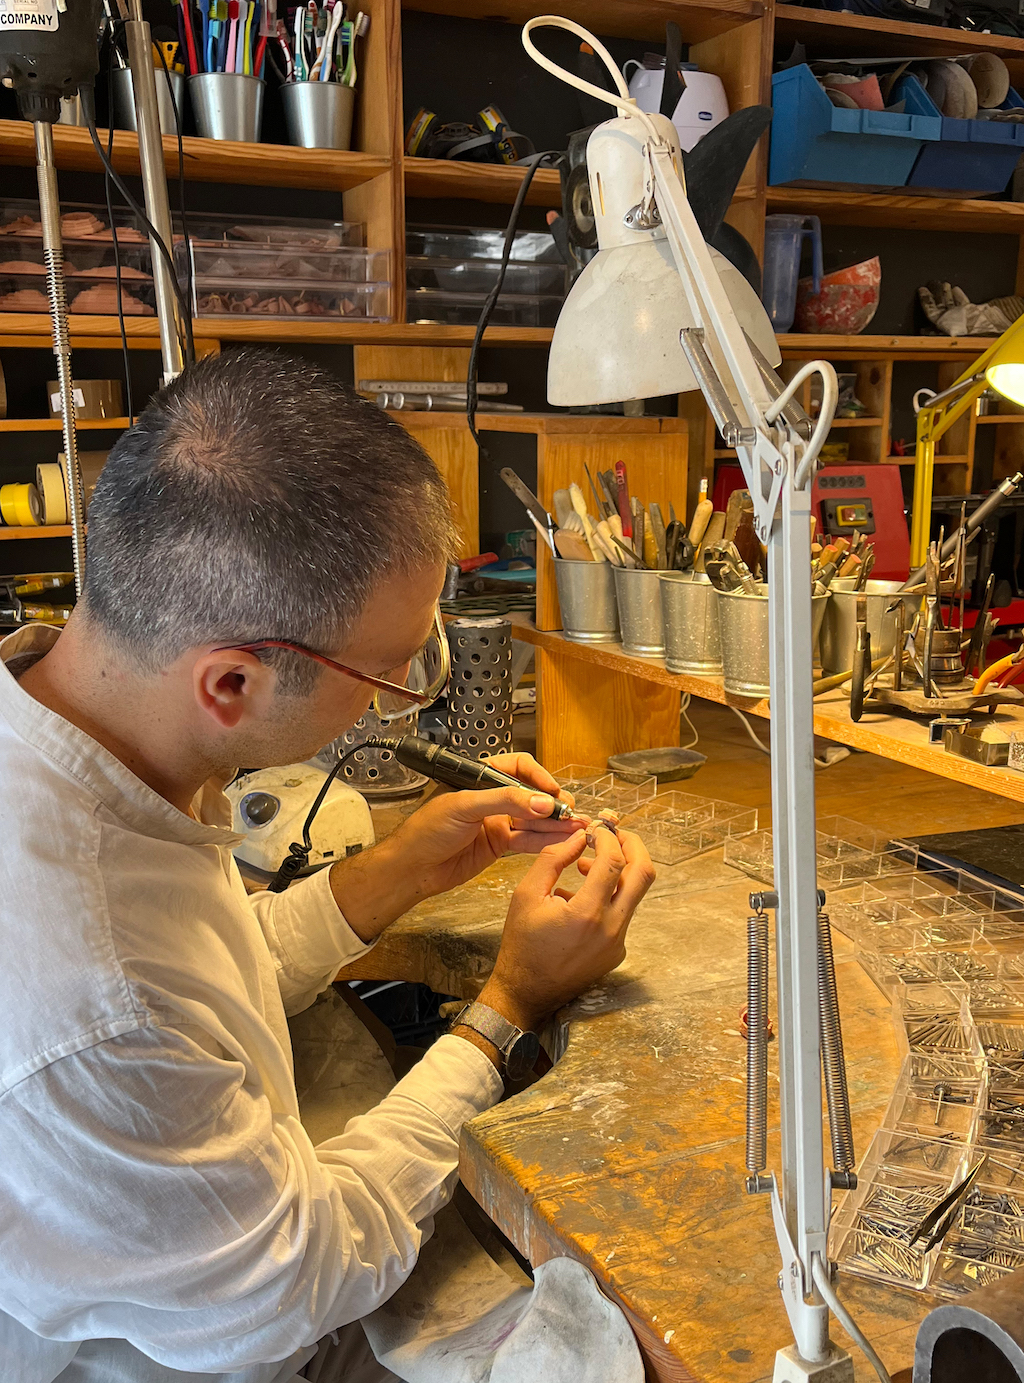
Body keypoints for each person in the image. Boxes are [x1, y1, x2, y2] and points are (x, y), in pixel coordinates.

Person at [0, 348, 654, 1383]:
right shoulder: (84, 981)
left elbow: (197, 986)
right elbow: (294, 1280)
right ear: (230, 683)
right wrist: (508, 1008)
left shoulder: (80, 743)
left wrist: (396, 871)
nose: (400, 698)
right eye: (387, 672)